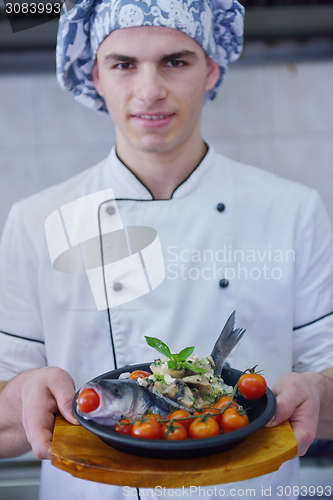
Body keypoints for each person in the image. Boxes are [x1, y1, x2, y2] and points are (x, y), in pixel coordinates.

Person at [1, 1, 333, 499]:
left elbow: (326, 387)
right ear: (96, 75)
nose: (150, 90)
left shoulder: (293, 210)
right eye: (123, 64)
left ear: (211, 71)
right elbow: (5, 428)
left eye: (176, 61)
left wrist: (321, 393)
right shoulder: (34, 221)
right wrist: (21, 396)